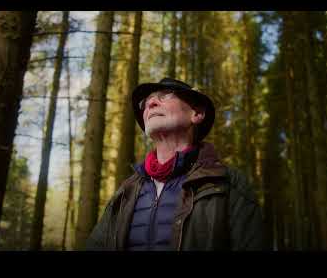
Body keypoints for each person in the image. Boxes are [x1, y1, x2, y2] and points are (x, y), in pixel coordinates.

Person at [85, 78, 264, 251]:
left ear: (197, 114)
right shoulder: (125, 191)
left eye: (166, 95)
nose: (150, 103)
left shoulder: (229, 184)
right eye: (145, 102)